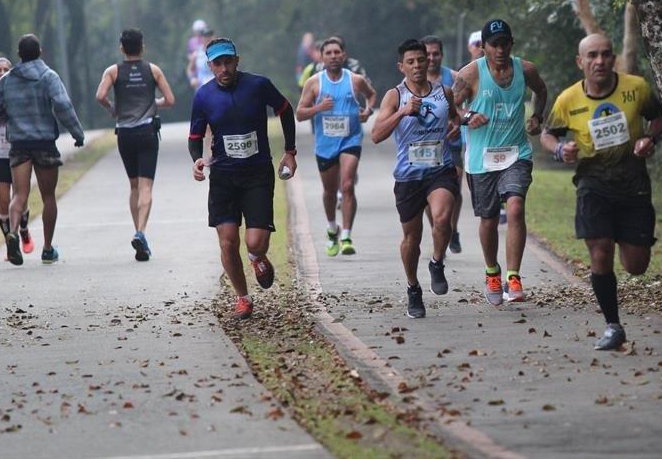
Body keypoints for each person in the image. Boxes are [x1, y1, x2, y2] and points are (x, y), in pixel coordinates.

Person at [540, 33, 662, 350]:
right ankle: (613, 325)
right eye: (592, 55)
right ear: (580, 62)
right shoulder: (568, 99)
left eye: (606, 54)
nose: (600, 61)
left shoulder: (636, 88)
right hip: (592, 183)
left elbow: (659, 118)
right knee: (600, 248)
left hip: (633, 183)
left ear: (613, 59)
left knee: (636, 265)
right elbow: (548, 135)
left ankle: (630, 242)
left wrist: (650, 140)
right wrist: (559, 151)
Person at [189, 37, 297, 320]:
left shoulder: (258, 85)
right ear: (210, 66)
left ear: (237, 61)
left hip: (257, 174)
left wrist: (290, 152)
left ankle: (257, 257)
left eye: (228, 62)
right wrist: (197, 161)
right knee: (227, 242)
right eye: (218, 63)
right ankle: (243, 298)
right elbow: (195, 137)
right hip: (223, 177)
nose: (224, 68)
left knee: (255, 243)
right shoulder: (203, 96)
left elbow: (285, 109)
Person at [452, 19, 547, 306]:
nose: (500, 49)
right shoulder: (470, 74)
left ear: (511, 44)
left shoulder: (526, 69)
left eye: (505, 43)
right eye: (494, 44)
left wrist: (537, 117)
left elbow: (541, 91)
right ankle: (492, 272)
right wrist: (468, 117)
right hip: (482, 159)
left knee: (516, 207)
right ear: (484, 47)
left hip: (516, 153)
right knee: (489, 219)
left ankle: (514, 276)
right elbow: (451, 108)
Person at [371, 39, 460, 318]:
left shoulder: (444, 92)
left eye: (421, 60)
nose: (418, 65)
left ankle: (437, 262)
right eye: (411, 61)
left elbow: (456, 118)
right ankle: (413, 287)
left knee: (443, 220)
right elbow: (376, 135)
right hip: (408, 177)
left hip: (440, 170)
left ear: (428, 61)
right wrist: (402, 112)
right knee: (412, 238)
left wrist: (457, 127)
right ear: (402, 66)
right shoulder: (394, 96)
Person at [0, 34, 85, 265]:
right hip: (44, 143)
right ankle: (48, 249)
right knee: (48, 196)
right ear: (40, 51)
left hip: (19, 144)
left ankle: (12, 232)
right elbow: (63, 105)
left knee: (19, 194)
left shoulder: (7, 80)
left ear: (19, 55)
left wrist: (6, 116)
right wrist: (77, 133)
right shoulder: (49, 76)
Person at [95, 28, 176, 261]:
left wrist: (113, 110)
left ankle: (139, 233)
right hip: (147, 133)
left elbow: (100, 96)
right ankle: (141, 232)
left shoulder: (113, 71)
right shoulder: (153, 70)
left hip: (125, 134)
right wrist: (154, 102)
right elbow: (170, 100)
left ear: (121, 48)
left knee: (133, 187)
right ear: (143, 47)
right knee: (146, 187)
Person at [296, 37, 376, 256]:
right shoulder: (314, 82)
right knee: (330, 191)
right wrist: (319, 107)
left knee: (348, 184)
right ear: (322, 57)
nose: (333, 56)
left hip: (350, 139)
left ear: (344, 55)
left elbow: (371, 95)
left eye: (336, 52)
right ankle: (332, 228)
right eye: (328, 53)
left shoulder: (355, 80)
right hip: (325, 144)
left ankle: (347, 235)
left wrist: (367, 112)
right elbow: (300, 113)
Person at [0, 57, 35, 258]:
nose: (1, 72)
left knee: (21, 200)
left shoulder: (19, 96)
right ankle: (11, 244)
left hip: (20, 153)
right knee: (3, 202)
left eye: (6, 69)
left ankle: (23, 231)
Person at [421, 35, 463, 254]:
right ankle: (439, 229)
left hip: (452, 142)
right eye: (426, 54)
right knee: (429, 192)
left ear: (442, 55)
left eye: (435, 53)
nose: (431, 58)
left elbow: (467, 108)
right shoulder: (413, 82)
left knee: (453, 188)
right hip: (426, 146)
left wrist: (460, 122)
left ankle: (452, 230)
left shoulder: (455, 78)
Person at [187, 28, 215, 92]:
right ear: (202, 38)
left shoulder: (220, 52)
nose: (208, 38)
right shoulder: (197, 53)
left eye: (210, 36)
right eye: (206, 36)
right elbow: (190, 69)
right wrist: (192, 79)